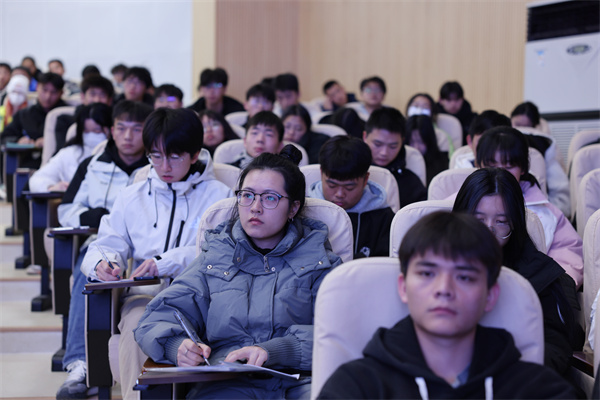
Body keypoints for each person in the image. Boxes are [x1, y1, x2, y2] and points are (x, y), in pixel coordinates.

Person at [135, 145, 342, 399]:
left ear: (293, 208)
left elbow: (341, 333)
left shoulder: (320, 261)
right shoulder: (215, 257)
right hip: (227, 383)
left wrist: (277, 351)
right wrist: (176, 345)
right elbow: (157, 318)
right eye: (247, 195)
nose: (255, 207)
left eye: (270, 198)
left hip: (300, 382)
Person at [317, 211, 577, 399]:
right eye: (427, 273)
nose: (444, 289)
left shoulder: (540, 390)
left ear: (490, 295)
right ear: (403, 287)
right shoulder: (356, 387)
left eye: (464, 277)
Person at [82, 107, 233, 400]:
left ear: (195, 154)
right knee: (138, 325)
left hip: (201, 299)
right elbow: (107, 242)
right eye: (155, 155)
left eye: (174, 156)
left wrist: (165, 263)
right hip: (145, 297)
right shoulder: (131, 196)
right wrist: (102, 263)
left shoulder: (220, 197)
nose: (164, 166)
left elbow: (217, 251)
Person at [55, 101, 152, 399]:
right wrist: (92, 217)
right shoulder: (92, 164)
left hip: (146, 250)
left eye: (136, 129)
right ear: (111, 130)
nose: (128, 136)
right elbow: (66, 211)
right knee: (89, 270)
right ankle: (81, 364)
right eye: (121, 128)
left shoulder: (158, 168)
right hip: (102, 243)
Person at [453, 168, 583, 376]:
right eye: (478, 220)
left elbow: (555, 347)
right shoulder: (436, 269)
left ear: (515, 224)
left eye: (501, 222)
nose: (488, 232)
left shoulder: (540, 275)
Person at [475, 126, 584, 287]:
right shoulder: (458, 201)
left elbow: (569, 257)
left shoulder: (547, 212)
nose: (499, 172)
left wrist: (544, 288)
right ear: (477, 164)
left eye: (508, 166)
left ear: (524, 168)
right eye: (491, 165)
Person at [309, 136, 394, 258]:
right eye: (332, 185)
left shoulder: (383, 218)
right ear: (321, 173)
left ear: (365, 179)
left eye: (349, 187)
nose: (339, 194)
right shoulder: (305, 210)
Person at [29, 103, 111, 192]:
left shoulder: (118, 154)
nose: (91, 135)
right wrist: (51, 187)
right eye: (86, 131)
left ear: (110, 130)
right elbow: (37, 179)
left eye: (97, 131)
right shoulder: (70, 153)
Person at [362, 107, 426, 208]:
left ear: (402, 142)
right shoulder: (353, 172)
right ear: (365, 137)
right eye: (378, 144)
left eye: (393, 146)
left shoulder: (411, 182)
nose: (384, 153)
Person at [1, 72, 66, 168]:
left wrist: (51, 141)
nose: (48, 96)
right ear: (37, 87)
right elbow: (4, 137)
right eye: (44, 90)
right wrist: (18, 140)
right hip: (27, 165)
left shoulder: (67, 114)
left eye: (53, 92)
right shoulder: (24, 114)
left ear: (61, 93)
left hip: (59, 165)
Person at [53, 74, 115, 153]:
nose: (97, 100)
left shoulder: (117, 123)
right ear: (82, 96)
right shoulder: (65, 121)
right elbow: (61, 151)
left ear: (110, 100)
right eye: (92, 94)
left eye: (102, 95)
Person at [405, 115, 448, 186]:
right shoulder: (401, 163)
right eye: (411, 142)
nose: (416, 147)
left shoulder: (442, 163)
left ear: (429, 140)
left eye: (420, 142)